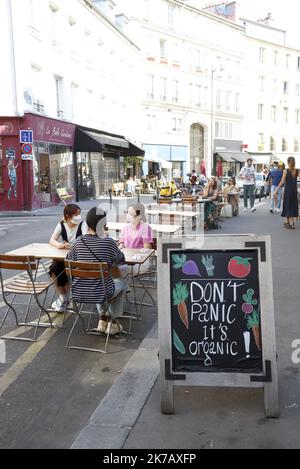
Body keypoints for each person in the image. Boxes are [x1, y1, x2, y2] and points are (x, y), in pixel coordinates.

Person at [67, 207, 128, 335]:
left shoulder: (78, 242)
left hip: (79, 291)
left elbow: (69, 261)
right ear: (104, 224)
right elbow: (121, 260)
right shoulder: (108, 242)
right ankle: (113, 322)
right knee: (123, 279)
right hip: (103, 292)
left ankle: (102, 318)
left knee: (96, 279)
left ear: (87, 223)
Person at [49, 204, 88, 312]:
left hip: (78, 257)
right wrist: (59, 245)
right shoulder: (62, 224)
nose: (79, 216)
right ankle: (63, 297)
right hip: (64, 256)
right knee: (54, 268)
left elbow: (85, 239)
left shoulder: (82, 224)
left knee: (67, 270)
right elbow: (52, 240)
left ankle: (64, 300)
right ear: (67, 216)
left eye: (79, 214)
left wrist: (73, 245)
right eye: (76, 214)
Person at [119, 203, 153, 275]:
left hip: (140, 262)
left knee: (119, 270)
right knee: (113, 268)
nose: (128, 216)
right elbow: (121, 244)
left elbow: (147, 250)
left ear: (139, 216)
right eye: (128, 213)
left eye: (131, 214)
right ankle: (122, 285)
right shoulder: (125, 228)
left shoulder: (145, 228)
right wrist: (121, 248)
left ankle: (121, 286)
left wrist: (132, 254)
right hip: (126, 260)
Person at [274, 157, 299, 230]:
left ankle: (290, 222)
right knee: (292, 205)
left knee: (288, 205)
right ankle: (287, 221)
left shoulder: (286, 171)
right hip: (294, 191)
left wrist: (276, 190)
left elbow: (282, 181)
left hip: (288, 191)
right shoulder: (296, 171)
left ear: (288, 163)